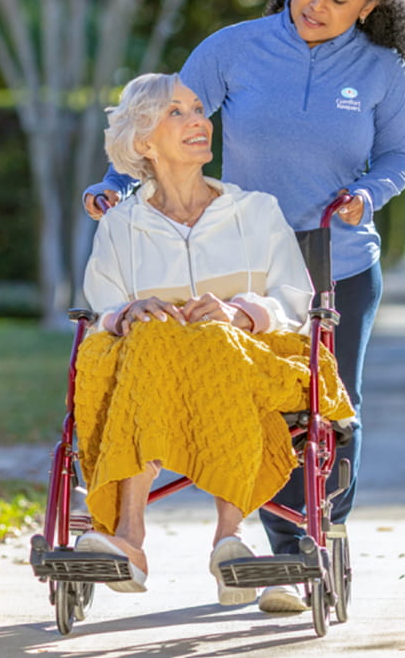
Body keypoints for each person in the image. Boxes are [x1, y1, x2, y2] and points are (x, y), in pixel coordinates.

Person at [83, 0, 405, 612]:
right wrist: (118, 185)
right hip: (239, 254)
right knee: (255, 393)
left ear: (368, 6)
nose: (316, 4)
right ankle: (282, 557)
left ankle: (318, 528)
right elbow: (166, 119)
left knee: (328, 405)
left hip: (335, 258)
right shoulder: (233, 49)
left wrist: (368, 193)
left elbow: (399, 155)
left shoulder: (381, 72)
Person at [74, 72, 354, 606]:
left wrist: (240, 313)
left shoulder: (257, 211)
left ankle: (230, 536)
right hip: (153, 371)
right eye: (176, 112)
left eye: (199, 109)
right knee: (153, 331)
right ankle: (129, 537)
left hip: (251, 360)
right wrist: (129, 311)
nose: (198, 121)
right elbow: (101, 310)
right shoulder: (121, 226)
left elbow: (297, 300)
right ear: (144, 143)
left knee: (214, 339)